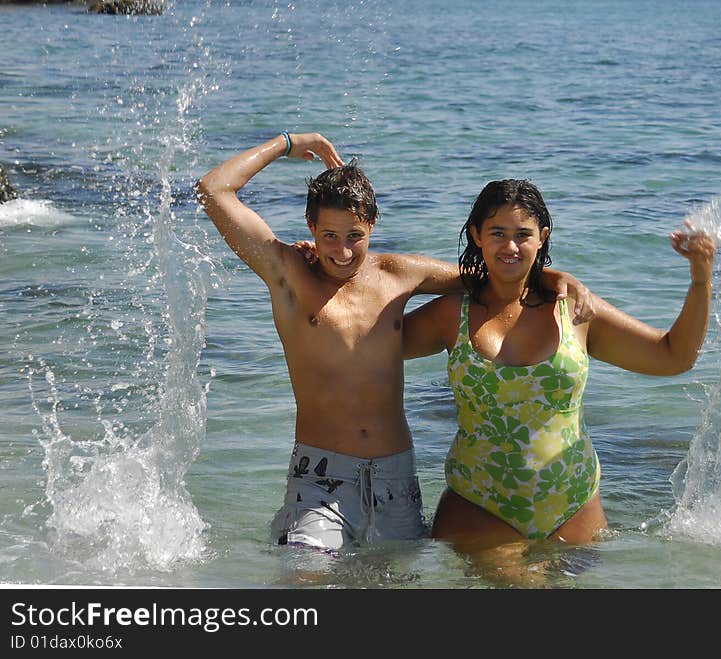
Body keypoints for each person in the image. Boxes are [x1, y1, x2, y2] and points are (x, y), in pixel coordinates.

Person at [195, 133, 592, 551]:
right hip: (320, 479)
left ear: (372, 225)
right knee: (307, 577)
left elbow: (497, 273)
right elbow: (213, 189)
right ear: (311, 226)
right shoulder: (289, 273)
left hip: (396, 480)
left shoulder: (397, 274)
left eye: (354, 236)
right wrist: (288, 143)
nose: (342, 251)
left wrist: (555, 277)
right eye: (329, 235)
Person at [403, 178, 716, 552]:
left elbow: (673, 356)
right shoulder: (450, 314)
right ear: (476, 235)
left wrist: (701, 278)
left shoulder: (576, 311)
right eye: (497, 233)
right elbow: (365, 348)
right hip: (478, 506)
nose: (510, 246)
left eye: (523, 234)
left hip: (574, 508)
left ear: (542, 237)